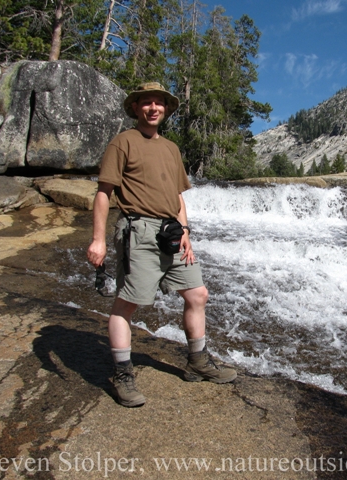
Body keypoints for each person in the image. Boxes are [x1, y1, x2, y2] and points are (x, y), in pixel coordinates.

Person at [87, 82, 236, 407]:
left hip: (172, 232)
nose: (153, 108)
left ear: (165, 109)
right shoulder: (122, 142)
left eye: (159, 103)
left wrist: (185, 231)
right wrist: (98, 239)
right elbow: (103, 192)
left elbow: (178, 196)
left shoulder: (171, 148)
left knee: (197, 294)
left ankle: (197, 361)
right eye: (146, 103)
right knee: (127, 303)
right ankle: (123, 374)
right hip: (137, 230)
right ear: (137, 107)